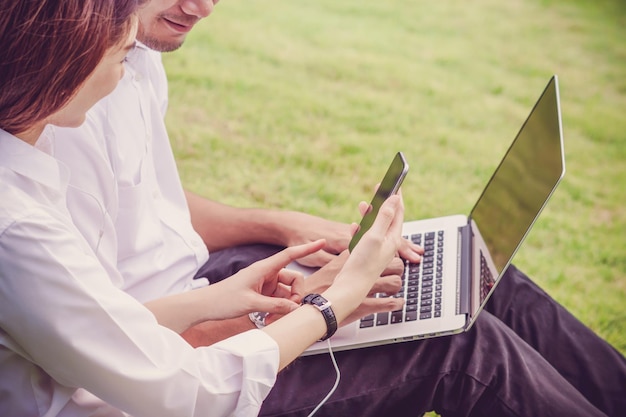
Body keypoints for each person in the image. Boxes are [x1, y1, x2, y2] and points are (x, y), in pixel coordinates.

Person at [51, 1, 626, 417]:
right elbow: (121, 357)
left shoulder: (135, 52)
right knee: (462, 349)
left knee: (468, 277)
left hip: (199, 288)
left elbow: (150, 200)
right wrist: (315, 305)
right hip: (187, 372)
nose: (203, 7)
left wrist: (284, 226)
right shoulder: (62, 115)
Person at [0, 1, 408, 416]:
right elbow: (191, 392)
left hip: (150, 347)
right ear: (59, 57)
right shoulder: (20, 227)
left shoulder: (30, 165)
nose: (129, 56)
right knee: (458, 353)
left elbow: (102, 321)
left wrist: (217, 299)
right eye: (120, 52)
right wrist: (335, 298)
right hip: (134, 396)